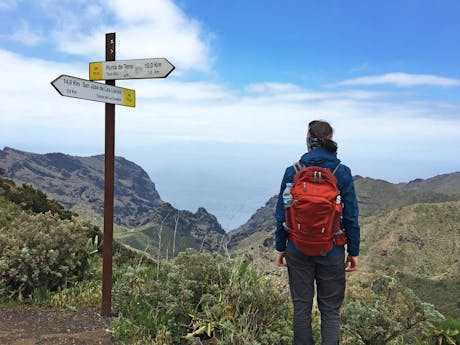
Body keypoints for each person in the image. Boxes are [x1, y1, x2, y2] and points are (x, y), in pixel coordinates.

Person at [275, 120, 360, 345]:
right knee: (330, 311)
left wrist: (281, 247)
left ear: (308, 140)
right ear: (330, 139)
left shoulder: (292, 171)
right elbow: (351, 217)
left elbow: (281, 213)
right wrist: (353, 251)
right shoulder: (341, 172)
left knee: (301, 308)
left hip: (297, 248)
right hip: (331, 250)